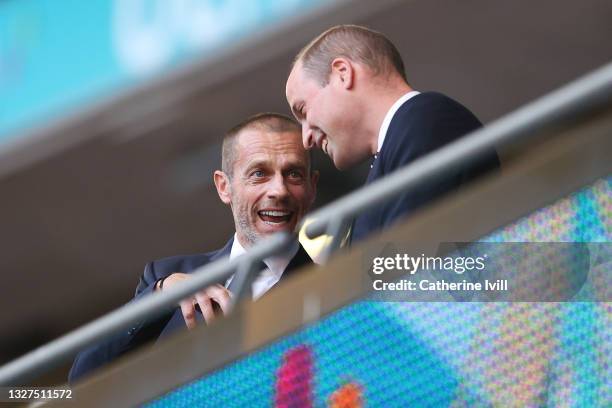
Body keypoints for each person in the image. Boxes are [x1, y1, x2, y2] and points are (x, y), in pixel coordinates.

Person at [69, 113, 318, 382]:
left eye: (294, 174)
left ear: (312, 187)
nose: (279, 191)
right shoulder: (165, 275)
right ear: (224, 187)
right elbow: (84, 376)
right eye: (259, 174)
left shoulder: (332, 286)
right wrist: (163, 293)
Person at [285, 24, 500, 242]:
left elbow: (407, 266)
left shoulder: (427, 120)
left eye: (303, 110)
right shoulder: (404, 138)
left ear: (342, 74)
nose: (306, 139)